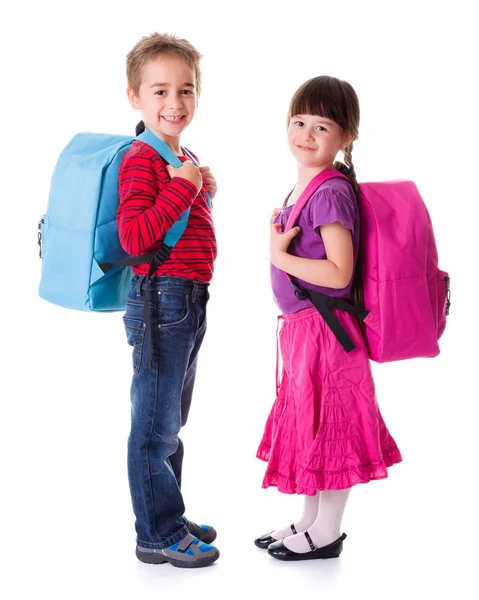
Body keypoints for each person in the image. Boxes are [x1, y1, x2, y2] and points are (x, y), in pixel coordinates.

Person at [255, 75, 402, 561]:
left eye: (322, 126)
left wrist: (280, 256)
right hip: (307, 331)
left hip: (329, 333)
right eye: (299, 122)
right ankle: (309, 519)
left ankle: (328, 531)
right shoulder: (307, 186)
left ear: (347, 137)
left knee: (331, 429)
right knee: (309, 425)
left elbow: (339, 274)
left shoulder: (331, 192)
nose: (306, 134)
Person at [116, 33, 219, 568]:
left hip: (187, 299)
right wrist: (185, 188)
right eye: (159, 91)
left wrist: (201, 188)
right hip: (161, 300)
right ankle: (155, 532)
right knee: (153, 427)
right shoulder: (142, 157)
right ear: (135, 96)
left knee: (170, 423)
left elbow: (175, 220)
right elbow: (136, 240)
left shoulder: (181, 155)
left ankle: (169, 513)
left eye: (186, 89)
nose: (174, 102)